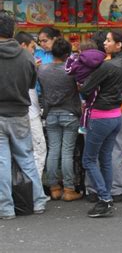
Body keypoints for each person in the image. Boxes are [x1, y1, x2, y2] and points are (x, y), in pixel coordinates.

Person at [80, 29, 122, 217]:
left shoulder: (108, 66)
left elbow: (86, 88)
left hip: (100, 116)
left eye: (109, 41)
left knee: (88, 159)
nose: (105, 43)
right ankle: (107, 196)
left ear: (119, 45)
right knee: (105, 159)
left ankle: (104, 198)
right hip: (116, 115)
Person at [0, 11, 48, 220]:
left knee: (2, 162)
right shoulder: (26, 56)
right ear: (12, 31)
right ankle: (37, 202)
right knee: (27, 158)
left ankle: (6, 208)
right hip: (20, 114)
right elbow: (30, 84)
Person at [38, 38, 82, 202]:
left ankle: (54, 187)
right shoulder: (71, 70)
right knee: (67, 152)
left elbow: (42, 91)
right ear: (67, 54)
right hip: (70, 113)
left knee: (53, 150)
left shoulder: (42, 69)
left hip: (51, 114)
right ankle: (69, 189)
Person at [14, 31, 47, 178]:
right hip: (30, 115)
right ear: (23, 45)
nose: (34, 50)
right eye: (32, 47)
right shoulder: (27, 63)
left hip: (14, 115)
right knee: (39, 151)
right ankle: (34, 190)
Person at [65, 40, 106, 132]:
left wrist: (70, 59)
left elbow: (68, 70)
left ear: (80, 51)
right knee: (90, 106)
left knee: (86, 107)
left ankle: (84, 126)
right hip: (97, 87)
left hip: (82, 87)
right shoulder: (102, 61)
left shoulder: (78, 61)